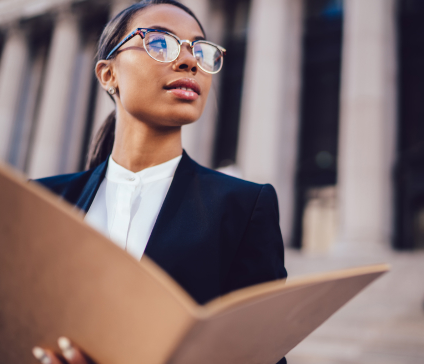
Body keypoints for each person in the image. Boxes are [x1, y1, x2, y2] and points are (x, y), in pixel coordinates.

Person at [30, 1, 287, 363]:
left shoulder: (243, 208)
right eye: (160, 42)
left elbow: (263, 355)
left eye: (200, 50)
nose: (189, 61)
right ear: (108, 74)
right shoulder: (41, 201)